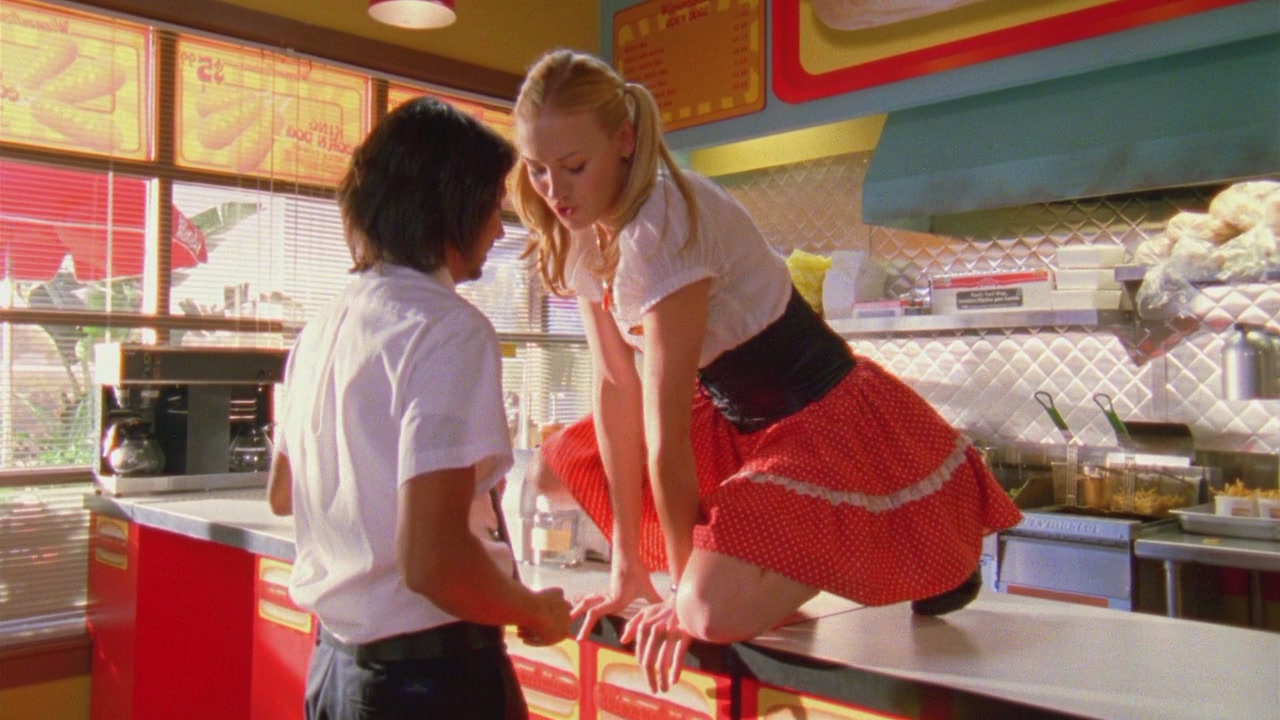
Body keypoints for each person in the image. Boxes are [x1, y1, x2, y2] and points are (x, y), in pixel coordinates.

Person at [510, 49, 1023, 693]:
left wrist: (679, 591)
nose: (554, 191)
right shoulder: (581, 228)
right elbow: (617, 386)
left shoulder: (665, 223)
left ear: (624, 140)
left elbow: (665, 430)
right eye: (537, 170)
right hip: (731, 415)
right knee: (551, 472)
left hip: (814, 416)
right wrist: (625, 569)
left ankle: (909, 532)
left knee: (706, 610)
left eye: (573, 167)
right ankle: (776, 566)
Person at [267, 96, 572, 720]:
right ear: (451, 207)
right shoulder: (446, 329)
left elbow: (282, 491)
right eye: (492, 207)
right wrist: (532, 609)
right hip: (428, 682)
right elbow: (432, 559)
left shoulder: (323, 326)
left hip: (335, 673)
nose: (499, 231)